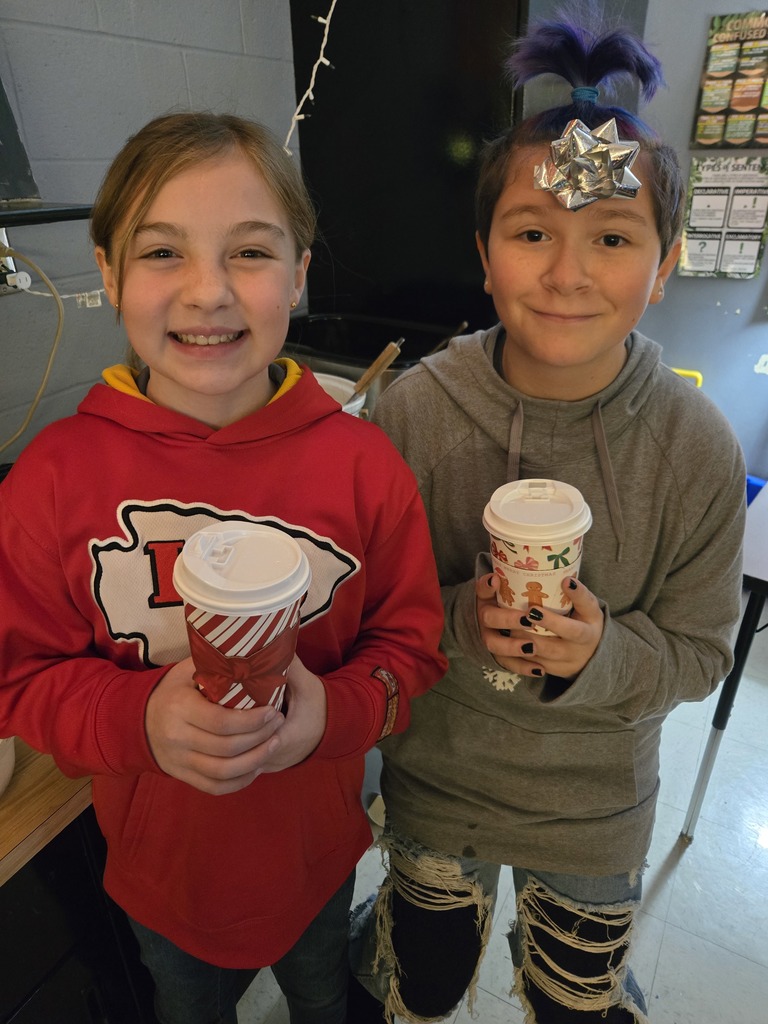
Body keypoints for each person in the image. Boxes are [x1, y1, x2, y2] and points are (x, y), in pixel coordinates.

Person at [0, 111, 448, 1024]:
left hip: (318, 864)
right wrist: (139, 716)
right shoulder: (53, 478)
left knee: (325, 997)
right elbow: (21, 681)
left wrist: (332, 708)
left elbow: (411, 653)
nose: (208, 292)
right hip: (163, 885)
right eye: (163, 252)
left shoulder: (364, 466)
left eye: (249, 252)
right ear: (108, 273)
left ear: (300, 274)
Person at [348, 12, 746, 1024]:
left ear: (662, 265)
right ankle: (388, 950)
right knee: (424, 982)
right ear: (485, 255)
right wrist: (451, 619)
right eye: (533, 235)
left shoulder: (697, 446)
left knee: (575, 1001)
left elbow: (701, 653)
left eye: (612, 238)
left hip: (596, 811)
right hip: (441, 788)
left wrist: (600, 648)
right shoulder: (415, 414)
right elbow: (365, 617)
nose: (569, 273)